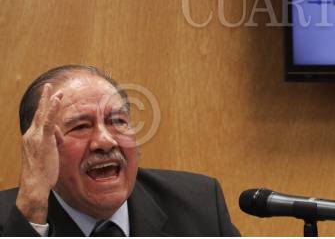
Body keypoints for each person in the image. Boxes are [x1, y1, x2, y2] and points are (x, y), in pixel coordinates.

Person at [0, 65, 240, 236]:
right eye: (81, 126)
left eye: (118, 121)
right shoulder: (11, 220)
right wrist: (32, 208)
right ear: (38, 147)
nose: (105, 142)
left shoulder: (199, 204)